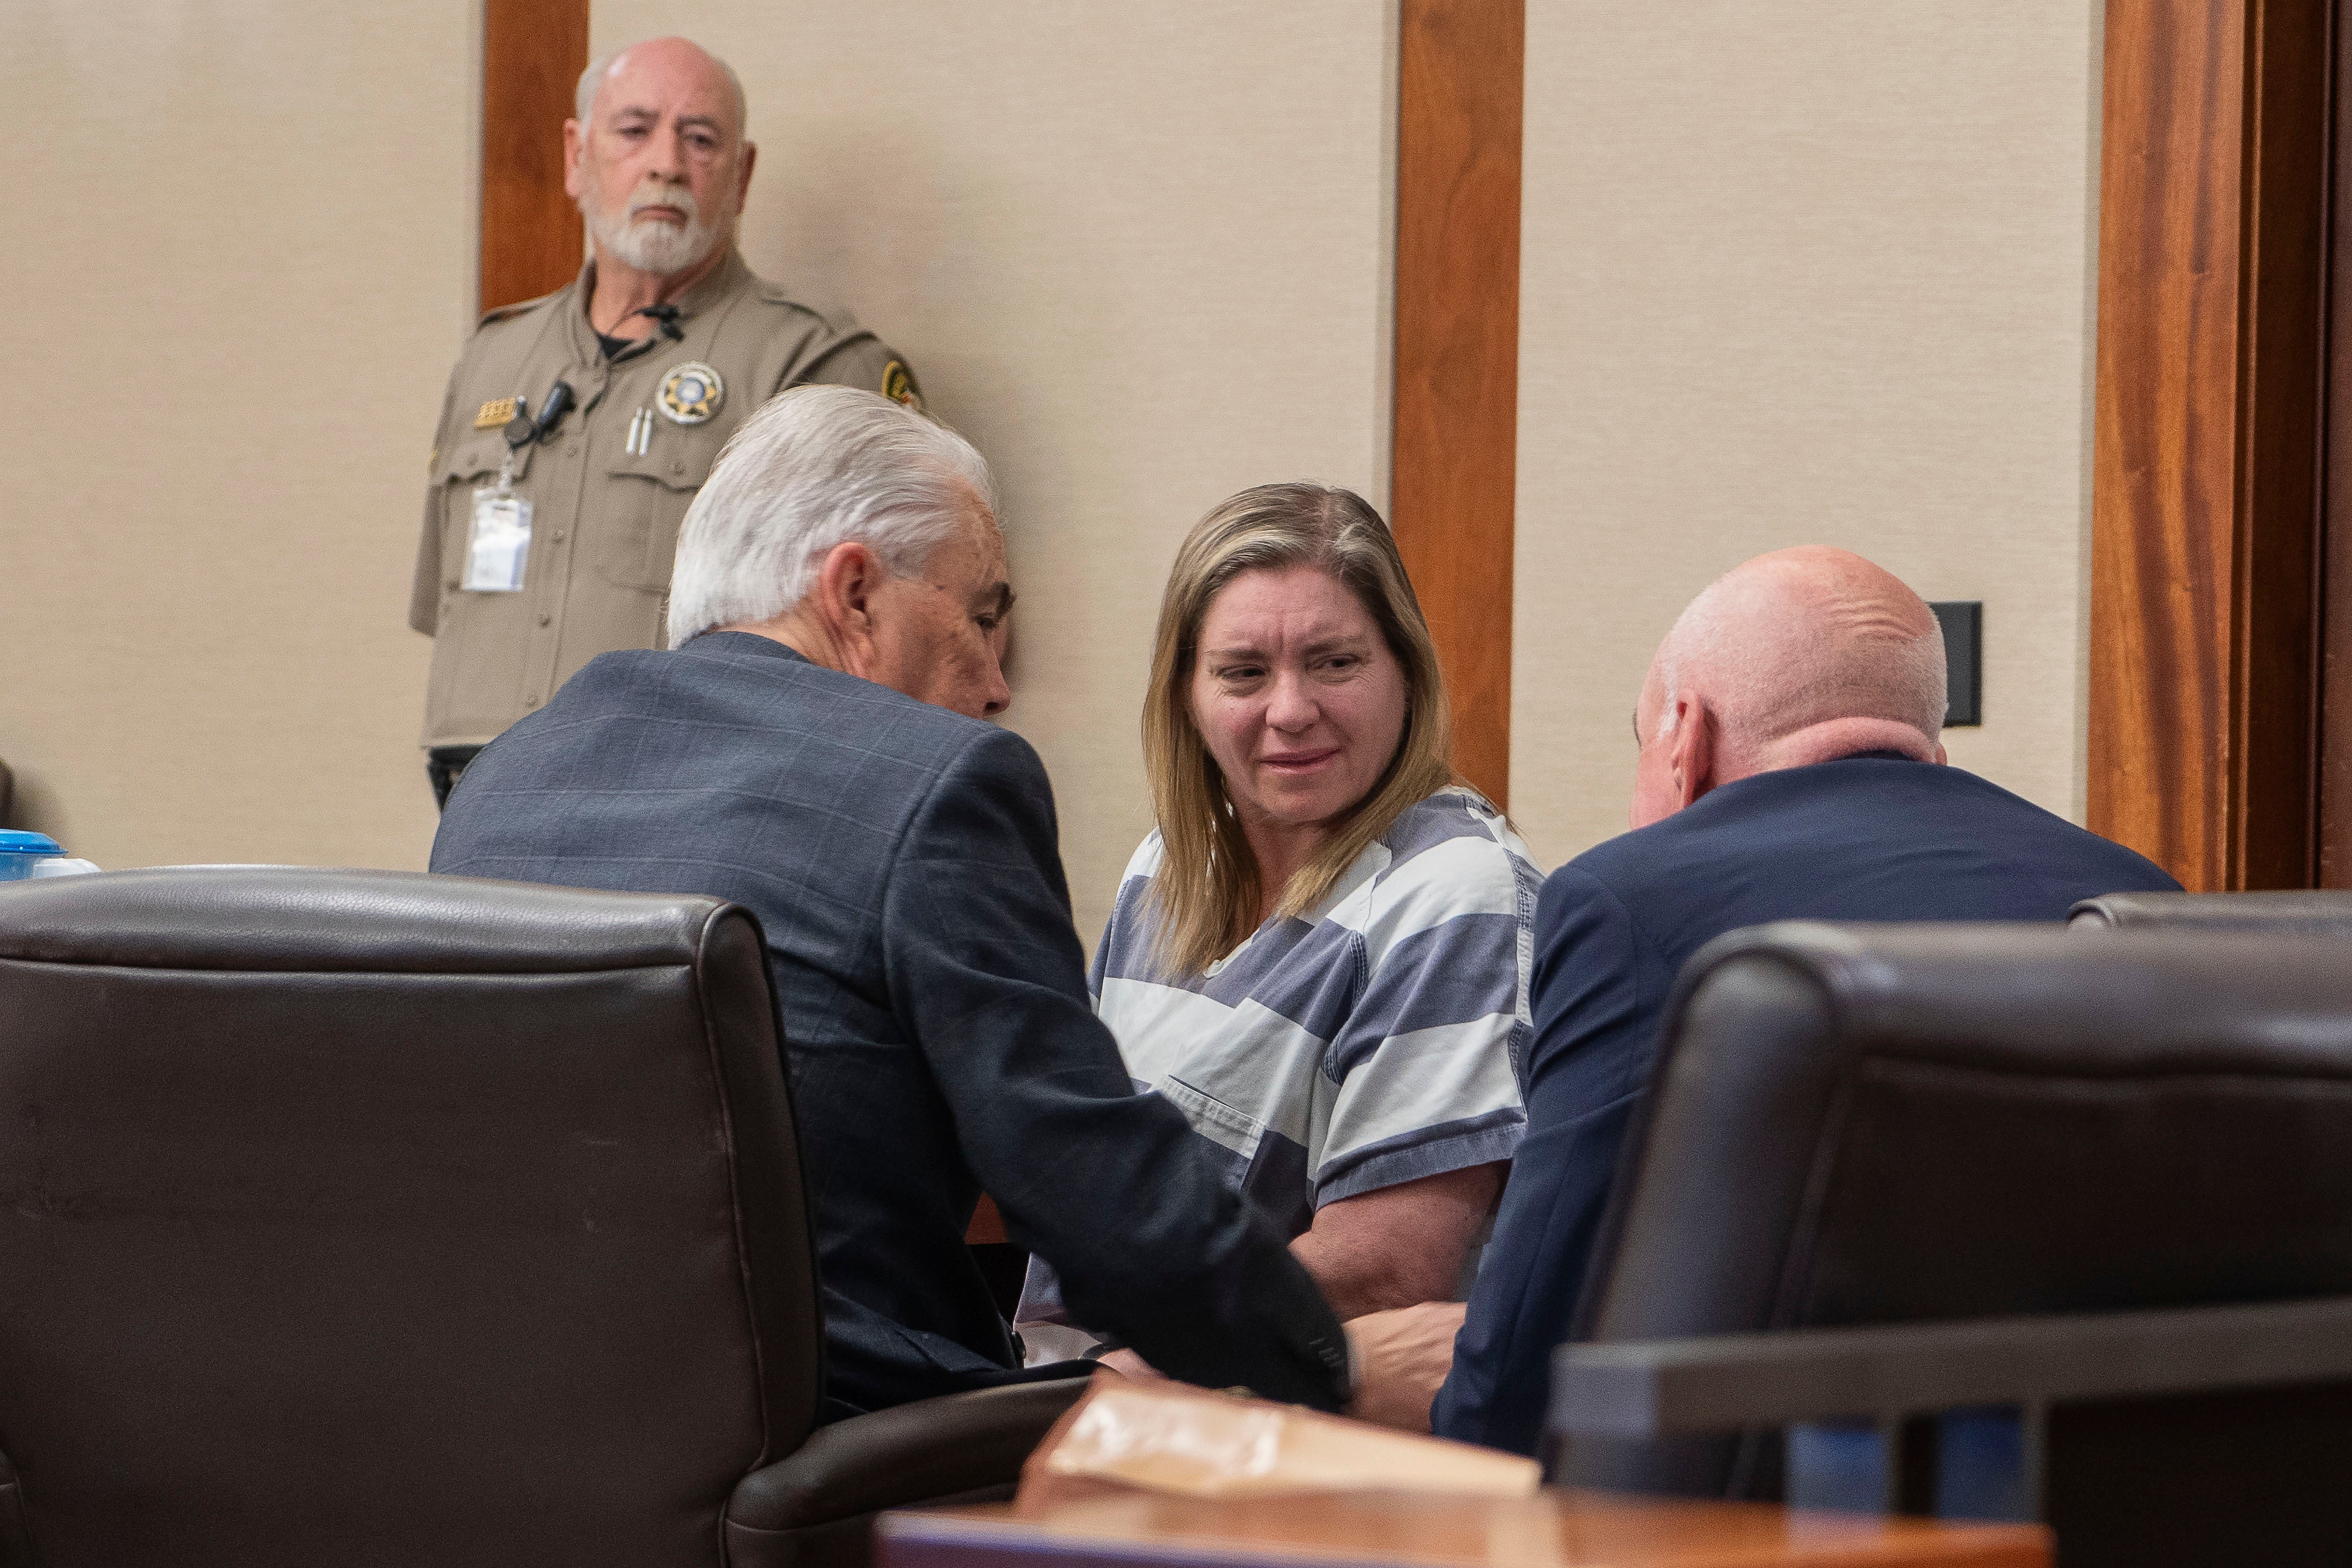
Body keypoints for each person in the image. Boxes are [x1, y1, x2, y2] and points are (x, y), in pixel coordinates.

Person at [431, 387, 1460, 1423]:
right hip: (827, 1440)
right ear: (855, 593)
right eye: (980, 617)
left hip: (503, 1429)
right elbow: (1085, 1183)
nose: (999, 684)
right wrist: (1329, 1364)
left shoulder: (509, 775)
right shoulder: (940, 782)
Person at [1433, 546, 2182, 1454]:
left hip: (1743, 1510)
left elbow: (1541, 1305)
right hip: (2075, 1491)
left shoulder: (1627, 899)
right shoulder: (2135, 893)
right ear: (1932, 750)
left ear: (1683, 739)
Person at [1016, 485, 1536, 1421]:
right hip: (1078, 1405)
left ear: (1406, 673)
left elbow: (1388, 1268)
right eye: (1244, 673)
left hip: (1250, 1434)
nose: (1291, 711)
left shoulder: (1456, 886)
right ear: (1186, 694)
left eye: (1335, 662)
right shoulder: (1165, 866)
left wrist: (1116, 1382)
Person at [411, 37, 922, 809]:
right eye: (635, 130)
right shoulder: (494, 355)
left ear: (742, 176)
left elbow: (886, 641)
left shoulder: (811, 362)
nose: (666, 164)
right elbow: (442, 604)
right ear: (576, 158)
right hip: (478, 795)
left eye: (700, 138)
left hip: (679, 794)